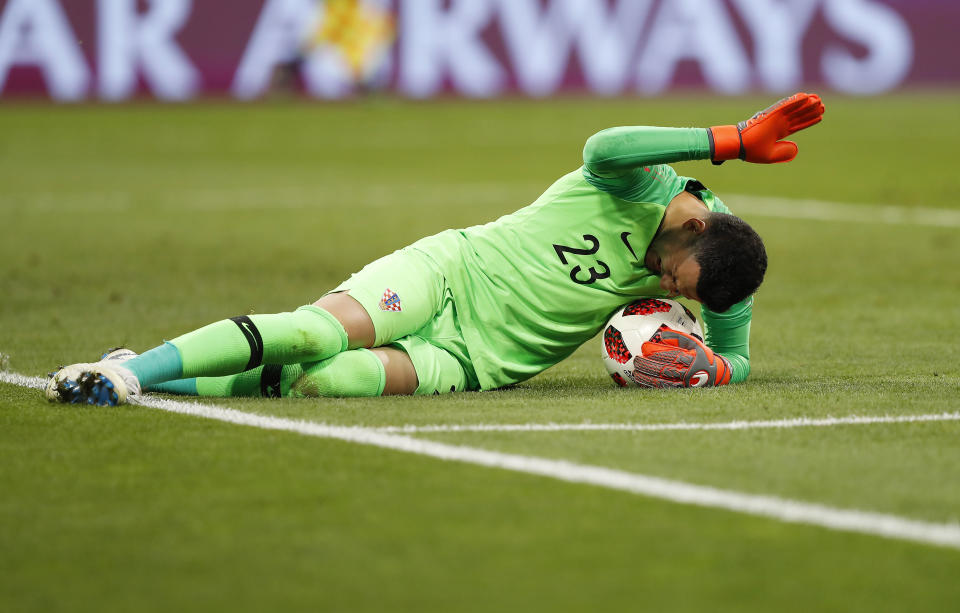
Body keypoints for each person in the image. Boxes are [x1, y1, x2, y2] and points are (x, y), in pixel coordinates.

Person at [46, 93, 825, 406]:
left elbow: (739, 356)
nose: (665, 291)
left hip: (480, 361)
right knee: (316, 332)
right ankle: (130, 367)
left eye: (680, 293)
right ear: (691, 226)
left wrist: (712, 365)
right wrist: (726, 139)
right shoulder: (642, 180)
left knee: (327, 384)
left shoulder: (728, 267)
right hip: (450, 274)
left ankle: (139, 382)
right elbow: (602, 139)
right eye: (671, 275)